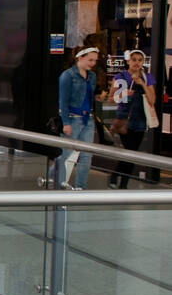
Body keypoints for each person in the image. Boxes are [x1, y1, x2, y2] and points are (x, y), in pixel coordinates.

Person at [54, 45, 107, 190]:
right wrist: (66, 122)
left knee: (86, 156)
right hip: (72, 118)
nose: (93, 63)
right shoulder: (68, 75)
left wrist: (98, 97)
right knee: (66, 154)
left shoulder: (92, 76)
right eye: (90, 60)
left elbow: (89, 96)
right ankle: (54, 180)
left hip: (87, 119)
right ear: (80, 58)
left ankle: (80, 187)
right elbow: (63, 101)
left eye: (95, 61)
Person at [109, 49, 157, 189]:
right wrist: (124, 94)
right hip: (124, 119)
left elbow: (152, 99)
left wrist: (141, 83)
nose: (136, 63)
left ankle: (120, 180)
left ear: (143, 62)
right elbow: (111, 99)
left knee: (132, 154)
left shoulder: (147, 78)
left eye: (139, 60)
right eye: (134, 59)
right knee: (129, 153)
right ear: (128, 61)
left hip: (140, 120)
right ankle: (119, 180)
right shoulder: (120, 77)